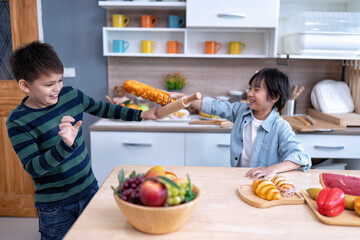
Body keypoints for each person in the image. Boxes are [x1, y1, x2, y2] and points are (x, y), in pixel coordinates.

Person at [6, 41, 158, 239]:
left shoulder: (71, 96)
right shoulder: (18, 121)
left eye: (60, 80)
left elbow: (104, 108)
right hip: (56, 207)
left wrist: (141, 115)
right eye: (49, 84)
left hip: (89, 190)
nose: (57, 88)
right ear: (25, 85)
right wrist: (64, 146)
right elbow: (34, 167)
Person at [189, 68, 311, 179]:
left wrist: (272, 169)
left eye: (256, 90)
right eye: (250, 88)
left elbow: (301, 157)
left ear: (274, 97)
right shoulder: (241, 111)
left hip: (264, 184)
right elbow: (213, 106)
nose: (250, 94)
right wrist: (182, 99)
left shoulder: (280, 127)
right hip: (239, 178)